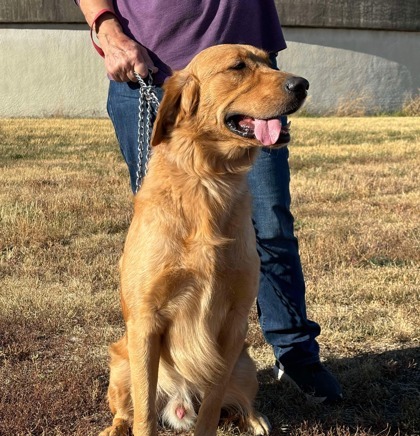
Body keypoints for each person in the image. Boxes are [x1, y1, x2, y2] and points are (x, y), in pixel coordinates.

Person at [76, 0, 343, 404]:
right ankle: (172, 376)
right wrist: (108, 31)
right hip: (147, 71)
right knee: (163, 239)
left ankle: (295, 356)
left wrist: (257, 68)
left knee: (269, 227)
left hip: (252, 75)